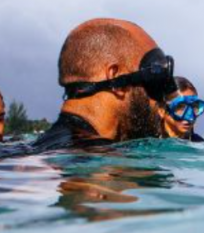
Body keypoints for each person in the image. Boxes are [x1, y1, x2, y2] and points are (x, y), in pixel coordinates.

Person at [31, 18, 179, 153]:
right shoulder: (98, 165)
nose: (163, 101)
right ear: (116, 78)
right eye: (156, 78)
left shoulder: (39, 149)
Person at [161, 76, 204, 142]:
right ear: (161, 110)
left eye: (195, 106)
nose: (190, 117)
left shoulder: (200, 143)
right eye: (180, 107)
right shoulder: (147, 143)